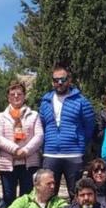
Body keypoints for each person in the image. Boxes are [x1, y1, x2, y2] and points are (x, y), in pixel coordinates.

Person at [38, 62, 96, 198]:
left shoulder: (81, 101)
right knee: (48, 196)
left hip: (73, 155)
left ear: (69, 80)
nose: (59, 83)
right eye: (56, 80)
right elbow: (41, 126)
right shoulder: (45, 102)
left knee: (76, 195)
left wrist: (79, 142)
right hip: (50, 154)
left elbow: (89, 126)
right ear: (52, 82)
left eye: (63, 79)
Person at [0, 81, 43, 208]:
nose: (16, 96)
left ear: (24, 96)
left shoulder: (34, 115)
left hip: (29, 162)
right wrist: (15, 150)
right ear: (8, 97)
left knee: (27, 197)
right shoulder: (1, 117)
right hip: (8, 163)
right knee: (8, 197)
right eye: (12, 94)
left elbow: (39, 136)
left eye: (19, 94)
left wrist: (25, 150)